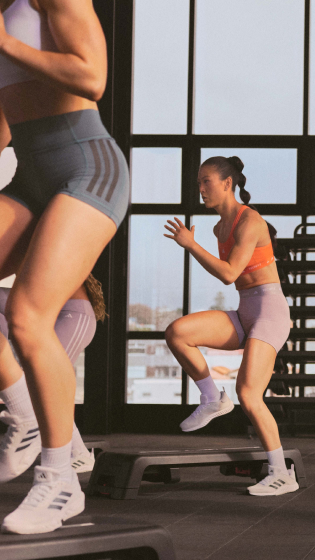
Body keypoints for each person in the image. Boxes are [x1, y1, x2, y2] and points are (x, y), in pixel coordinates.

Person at [0, 0, 130, 535]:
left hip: (87, 165)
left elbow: (92, 76)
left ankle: (59, 480)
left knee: (28, 316)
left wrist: (6, 44)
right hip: (33, 170)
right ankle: (23, 412)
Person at [164, 156, 297, 497]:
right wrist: (195, 243)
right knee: (177, 333)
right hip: (245, 311)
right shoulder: (217, 227)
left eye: (206, 181)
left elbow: (229, 273)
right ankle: (212, 398)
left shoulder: (250, 220)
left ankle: (281, 473)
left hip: (270, 311)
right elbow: (231, 279)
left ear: (227, 183)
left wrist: (190, 245)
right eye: (198, 183)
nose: (201, 189)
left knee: (250, 393)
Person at [0, 273, 104, 482]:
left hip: (73, 316)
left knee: (45, 386)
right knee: (39, 387)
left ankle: (78, 455)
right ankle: (76, 453)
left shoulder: (34, 244)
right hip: (47, 317)